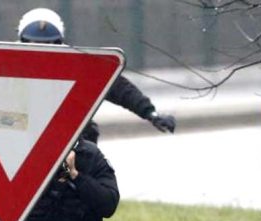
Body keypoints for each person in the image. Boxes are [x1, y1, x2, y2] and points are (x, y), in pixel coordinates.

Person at [17, 7, 176, 139]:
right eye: (34, 44)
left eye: (49, 44)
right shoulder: (2, 66)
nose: (42, 51)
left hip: (74, 146)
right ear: (23, 41)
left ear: (59, 42)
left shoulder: (76, 66)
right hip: (19, 142)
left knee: (98, 173)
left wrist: (149, 113)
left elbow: (118, 87)